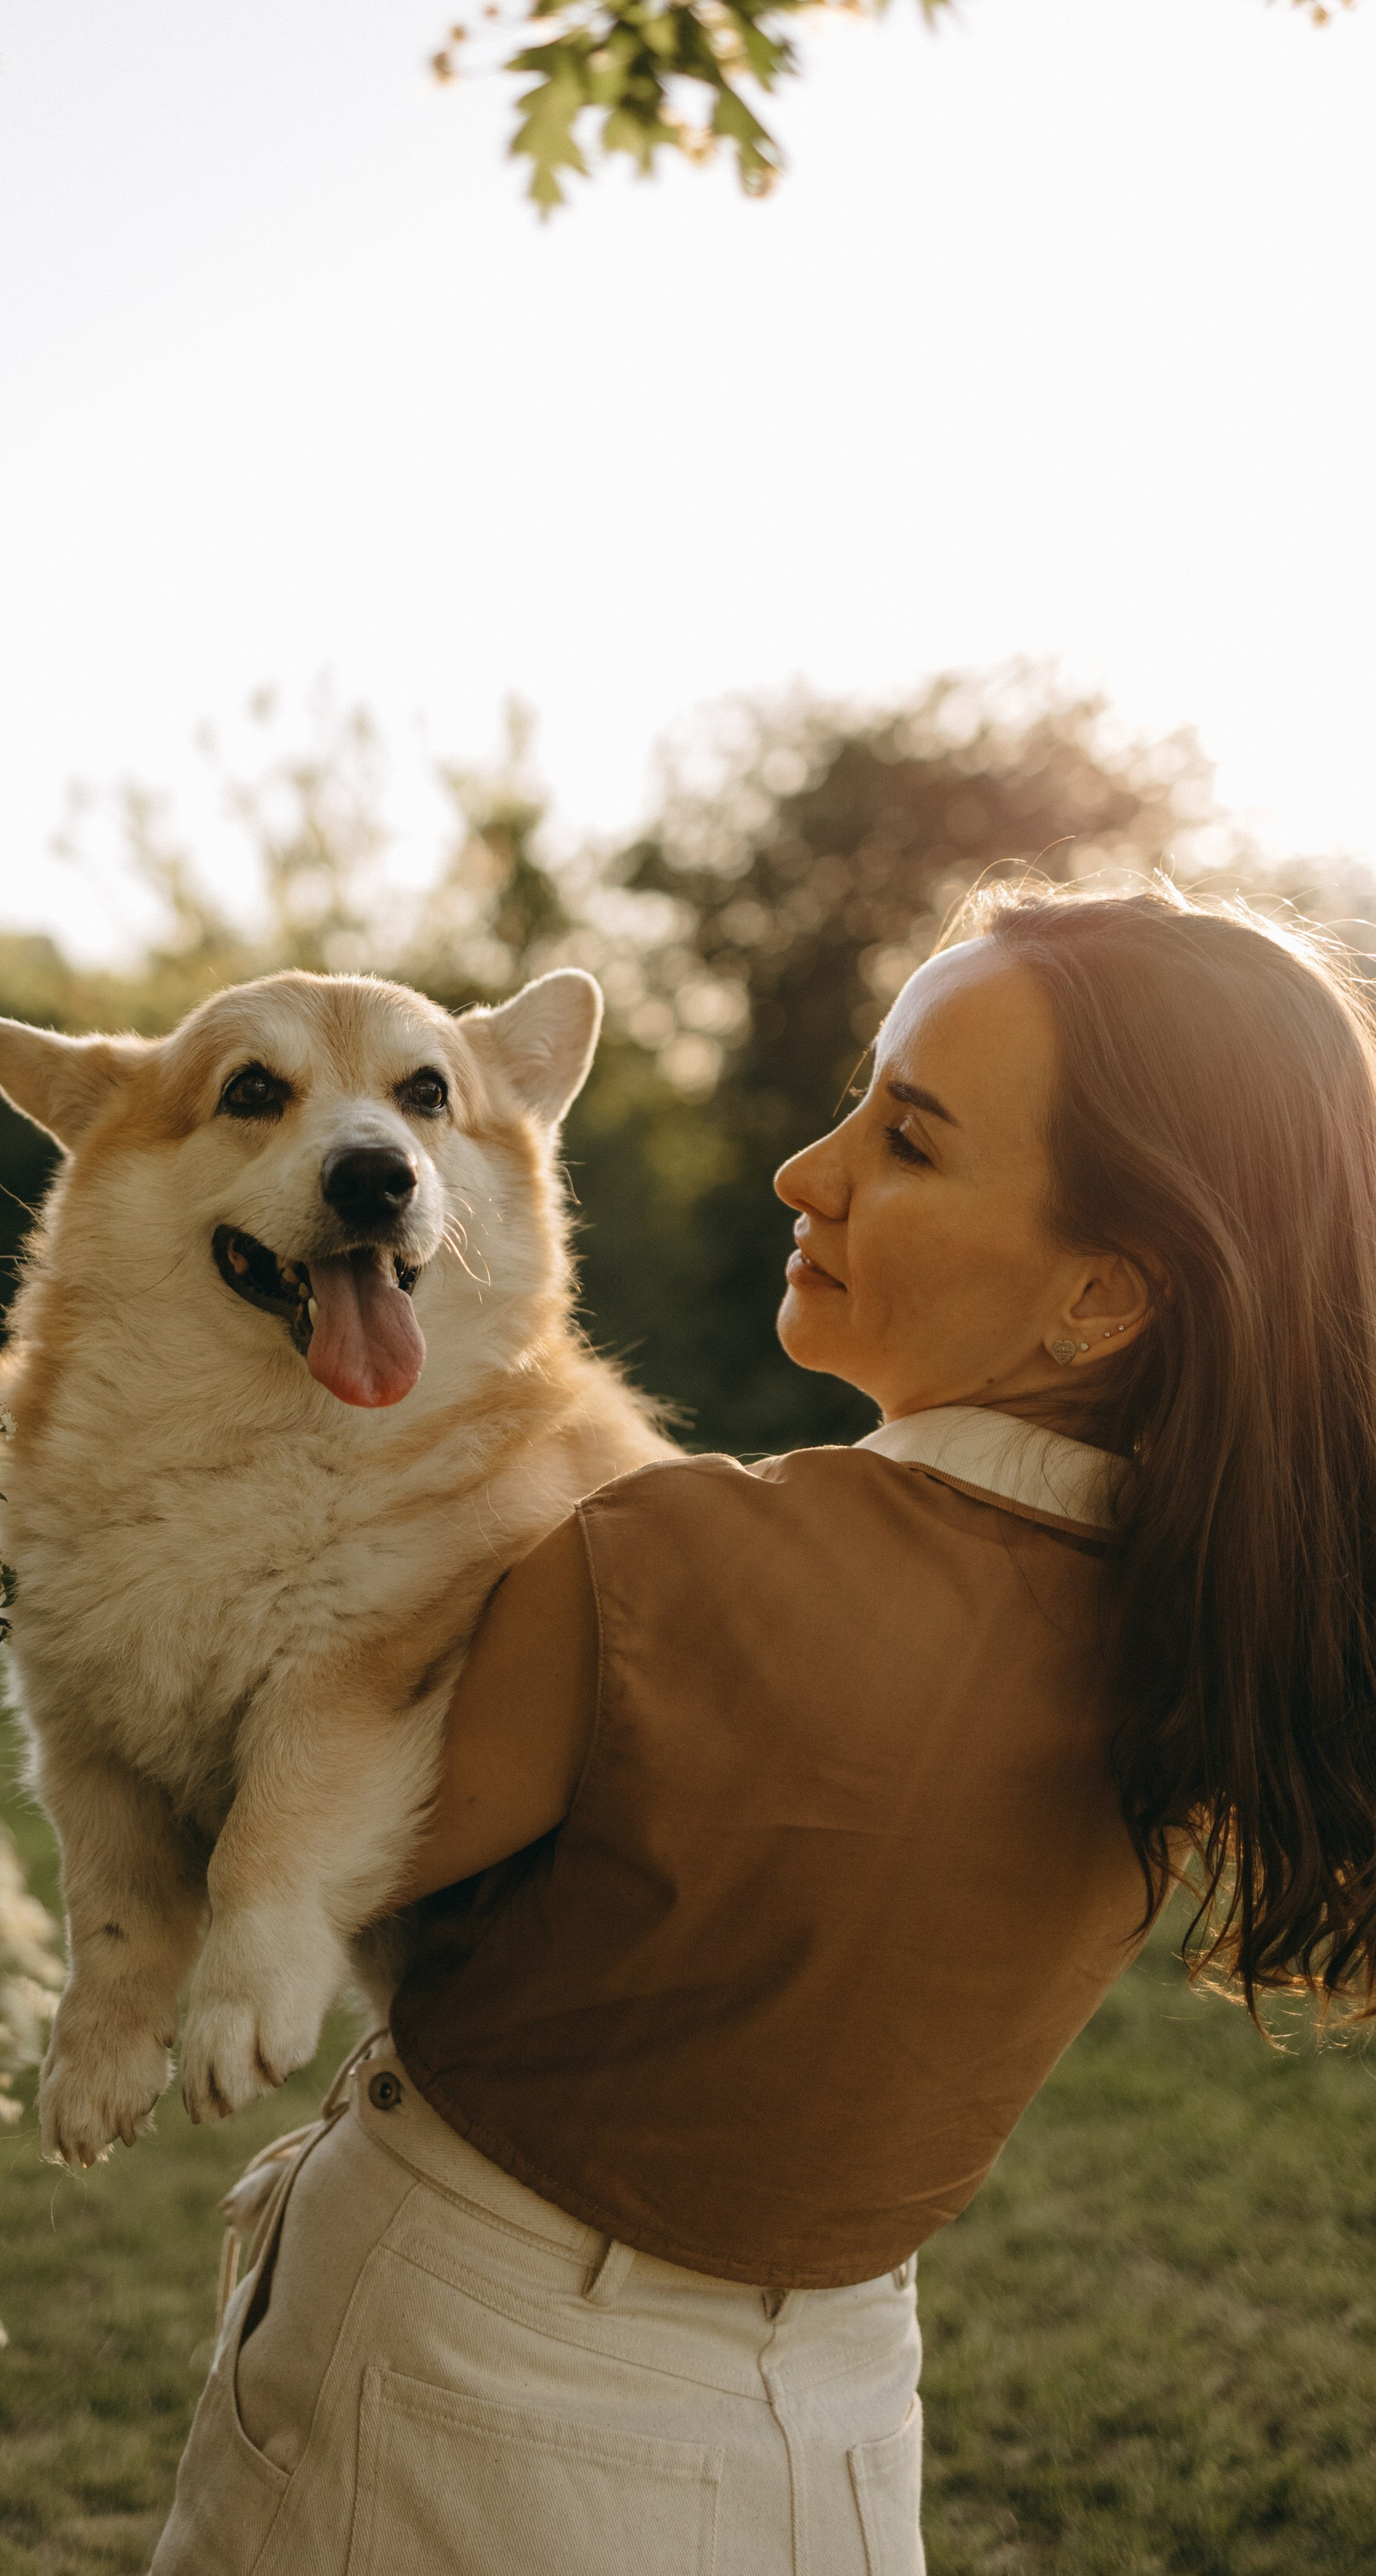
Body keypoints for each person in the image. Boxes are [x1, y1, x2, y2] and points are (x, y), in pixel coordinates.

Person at [150, 883, 1376, 2576]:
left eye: (910, 1140)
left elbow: (244, 1855)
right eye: (858, 1099)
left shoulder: (663, 1563)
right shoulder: (1220, 1645)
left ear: (1100, 1295)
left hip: (450, 2386)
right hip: (837, 2436)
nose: (809, 1169)